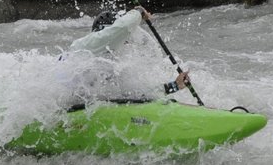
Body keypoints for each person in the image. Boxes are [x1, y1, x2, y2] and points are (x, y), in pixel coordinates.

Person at [59, 7, 190, 104]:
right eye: (124, 39)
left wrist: (174, 86)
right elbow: (121, 28)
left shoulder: (112, 63)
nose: (126, 42)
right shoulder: (88, 44)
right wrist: (138, 12)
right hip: (59, 110)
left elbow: (134, 94)